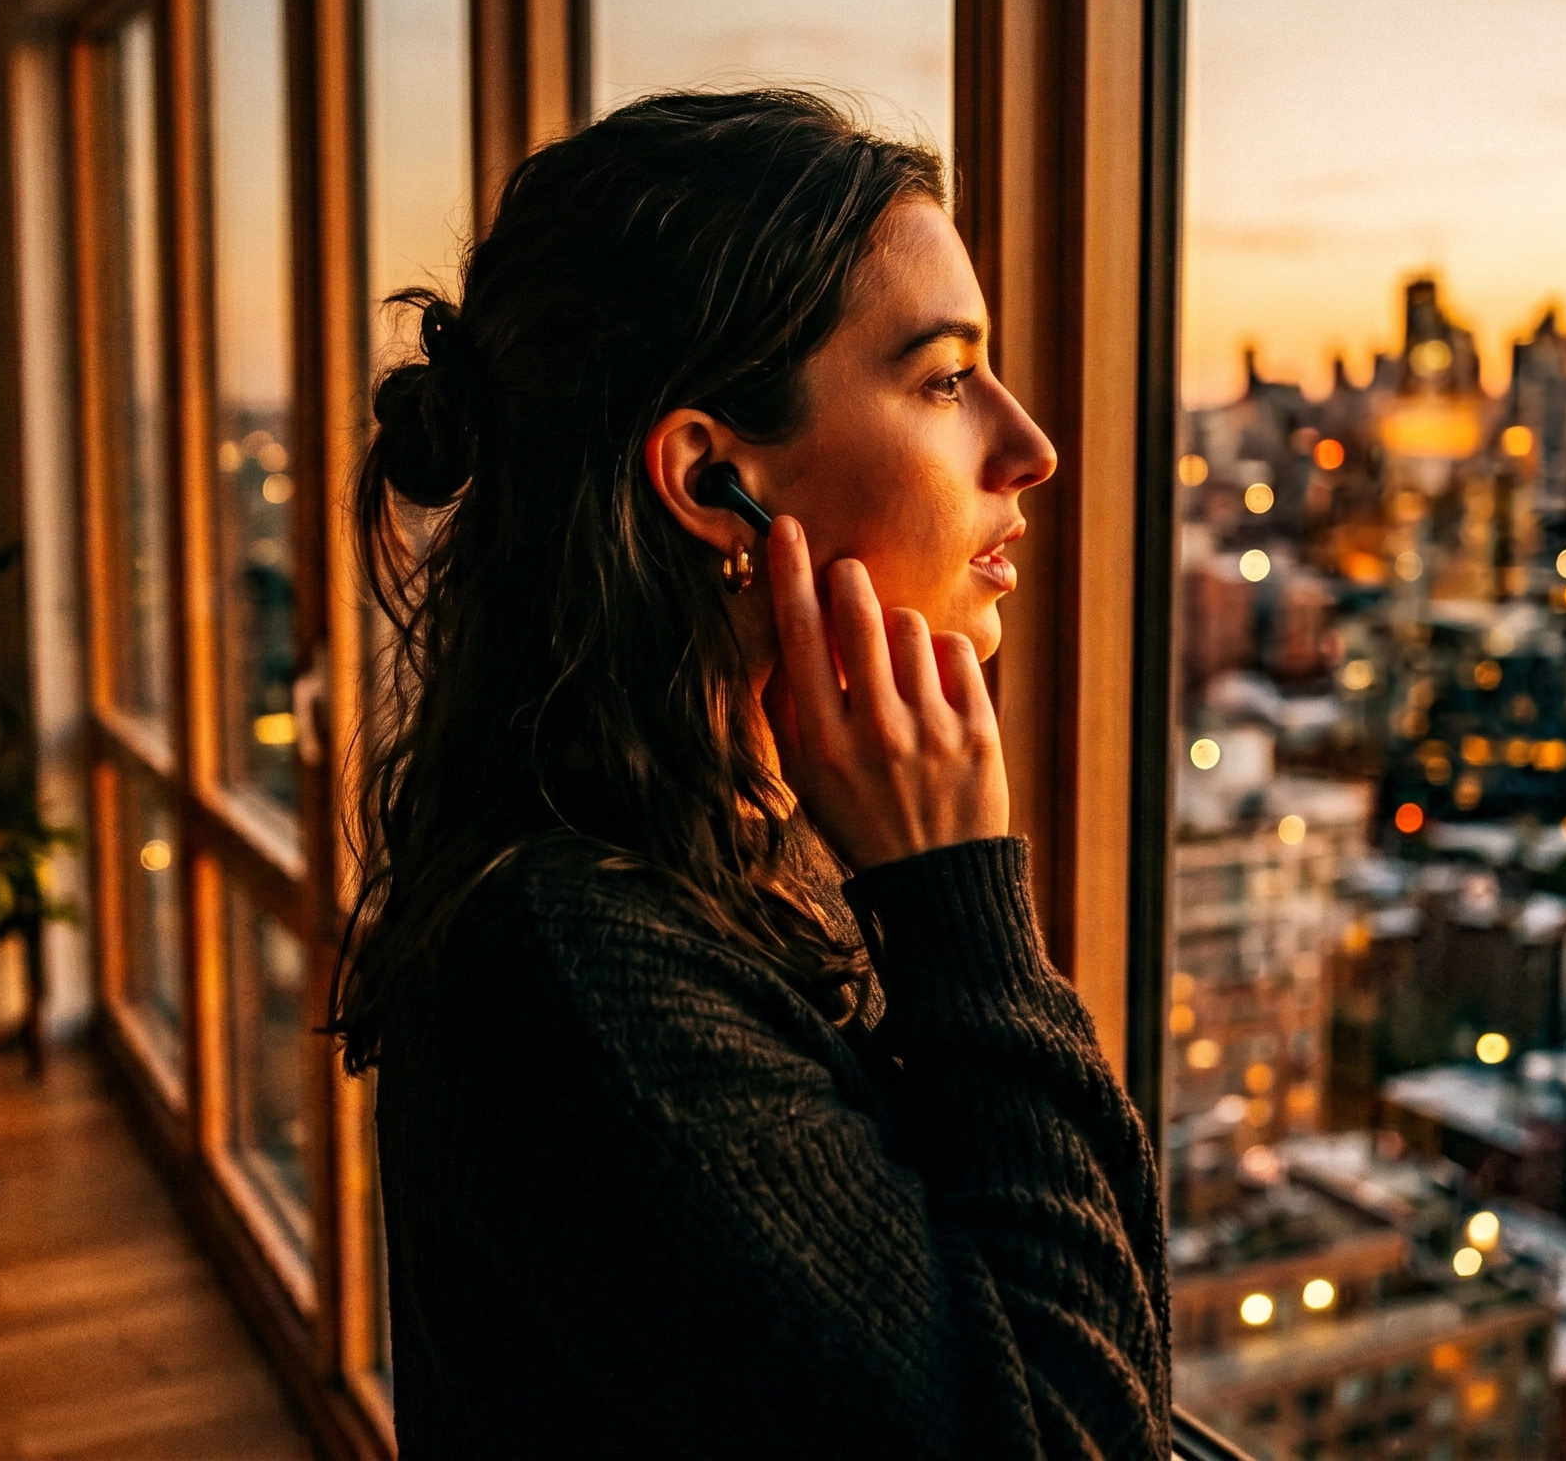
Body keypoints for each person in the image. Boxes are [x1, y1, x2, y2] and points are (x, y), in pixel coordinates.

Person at [334, 89, 1169, 1458]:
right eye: (947, 379)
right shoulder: (580, 968)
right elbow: (1081, 1435)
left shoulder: (706, 836)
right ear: (713, 479)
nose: (1031, 448)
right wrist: (963, 906)